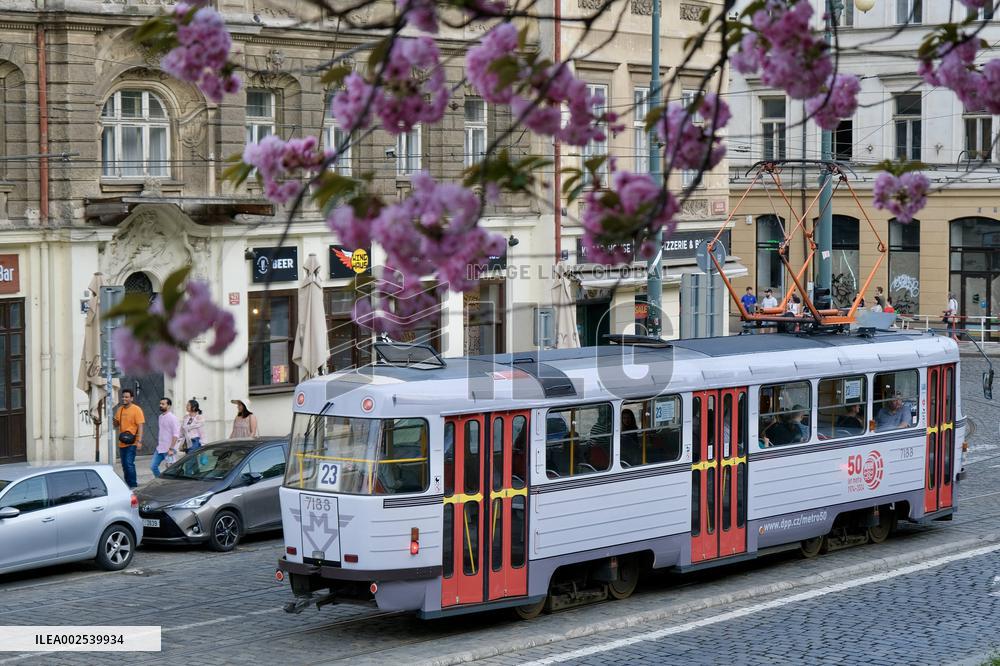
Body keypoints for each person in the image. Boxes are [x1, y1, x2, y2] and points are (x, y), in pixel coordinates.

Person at [113, 389, 145, 489]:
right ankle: (128, 484)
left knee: (129, 463)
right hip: (123, 441)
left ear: (131, 398)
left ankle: (133, 485)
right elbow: (116, 424)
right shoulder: (120, 409)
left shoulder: (136, 409)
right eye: (123, 397)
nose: (124, 398)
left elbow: (140, 426)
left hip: (133, 442)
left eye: (126, 397)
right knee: (124, 465)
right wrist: (111, 418)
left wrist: (139, 440)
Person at [152, 397, 182, 478]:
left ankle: (172, 485)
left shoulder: (173, 418)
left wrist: (171, 449)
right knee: (153, 467)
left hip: (169, 450)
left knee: (171, 469)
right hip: (160, 448)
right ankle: (160, 482)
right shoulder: (160, 417)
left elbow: (176, 434)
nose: (160, 405)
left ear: (168, 406)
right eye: (160, 404)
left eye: (163, 404)